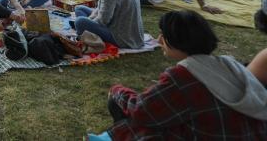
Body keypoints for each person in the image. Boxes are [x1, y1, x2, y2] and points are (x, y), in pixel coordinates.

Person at [105, 11, 267, 139]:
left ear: (177, 40)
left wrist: (117, 90)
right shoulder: (228, 63)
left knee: (126, 113)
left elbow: (142, 111)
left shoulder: (184, 76)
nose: (159, 39)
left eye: (163, 35)